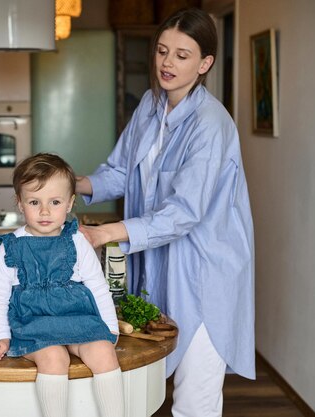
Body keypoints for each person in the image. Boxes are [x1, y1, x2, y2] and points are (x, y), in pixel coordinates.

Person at [76, 8, 255, 417]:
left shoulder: (211, 124)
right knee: (145, 383)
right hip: (157, 265)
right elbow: (121, 171)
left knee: (195, 400)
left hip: (205, 273)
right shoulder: (150, 105)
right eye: (161, 51)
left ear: (205, 63)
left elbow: (184, 213)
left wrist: (106, 234)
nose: (167, 63)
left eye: (182, 55)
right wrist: (73, 183)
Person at [0, 153, 124, 417]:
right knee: (54, 358)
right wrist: (2, 337)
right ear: (19, 203)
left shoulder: (76, 241)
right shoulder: (11, 247)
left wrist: (110, 326)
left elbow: (97, 284)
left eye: (55, 202)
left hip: (76, 317)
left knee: (104, 351)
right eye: (34, 202)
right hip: (32, 322)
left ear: (70, 203)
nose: (45, 211)